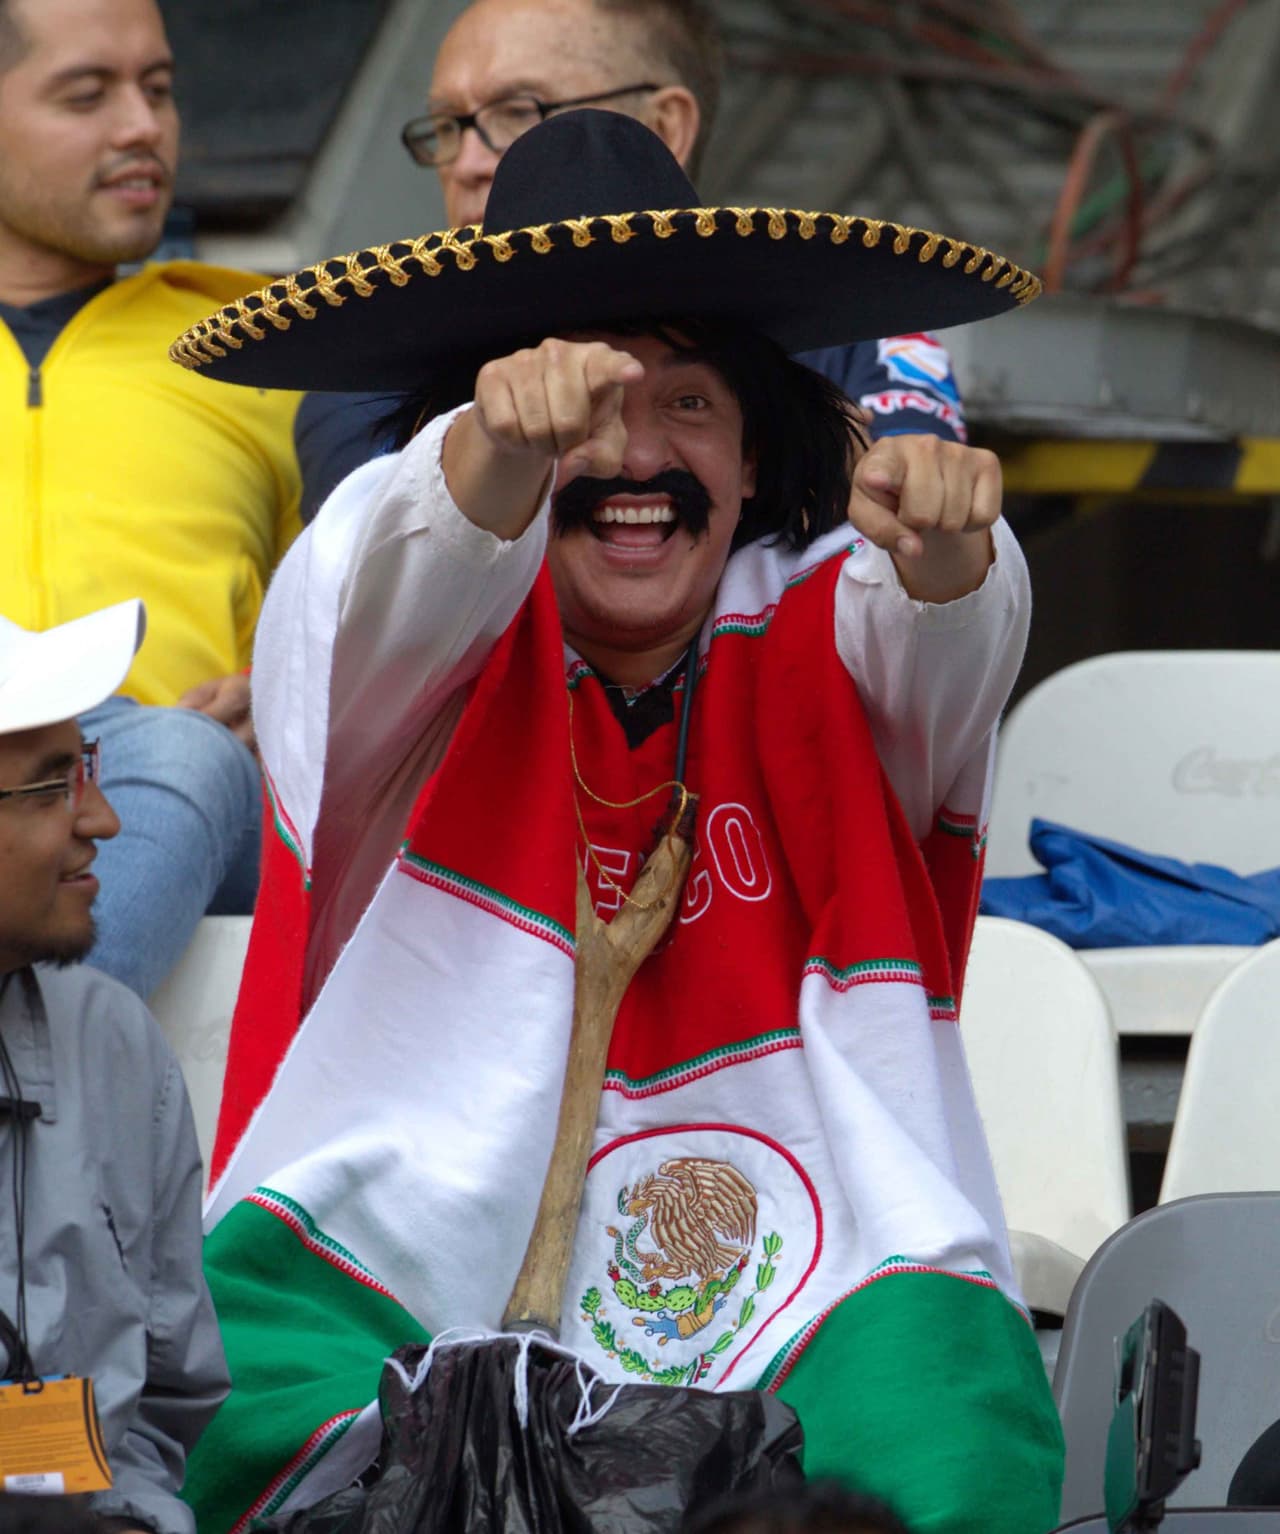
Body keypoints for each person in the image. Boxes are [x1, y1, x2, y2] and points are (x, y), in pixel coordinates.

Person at [172, 113, 1062, 1533]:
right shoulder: (403, 603)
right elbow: (397, 569)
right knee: (242, 1400)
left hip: (816, 1261)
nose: (634, 457)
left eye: (690, 404)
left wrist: (956, 546)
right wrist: (494, 449)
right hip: (402, 1250)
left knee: (951, 1427)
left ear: (761, 456)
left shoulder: (831, 607)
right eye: (588, 404)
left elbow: (944, 633)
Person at [294, 0, 970, 523]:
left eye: (518, 111)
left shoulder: (854, 337)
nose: (468, 164)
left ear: (664, 128)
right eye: (447, 126)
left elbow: (906, 567)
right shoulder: (367, 380)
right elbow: (384, 606)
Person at [0, 0, 302, 998]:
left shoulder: (266, 341)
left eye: (159, 89)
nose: (142, 125)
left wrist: (286, 685)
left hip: (170, 786)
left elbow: (376, 601)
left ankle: (28, 1108)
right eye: (87, 93)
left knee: (181, 756)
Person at [0, 599, 229, 1534]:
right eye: (54, 784)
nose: (101, 817)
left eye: (86, 767)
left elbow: (154, 1419)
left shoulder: (114, 1043)